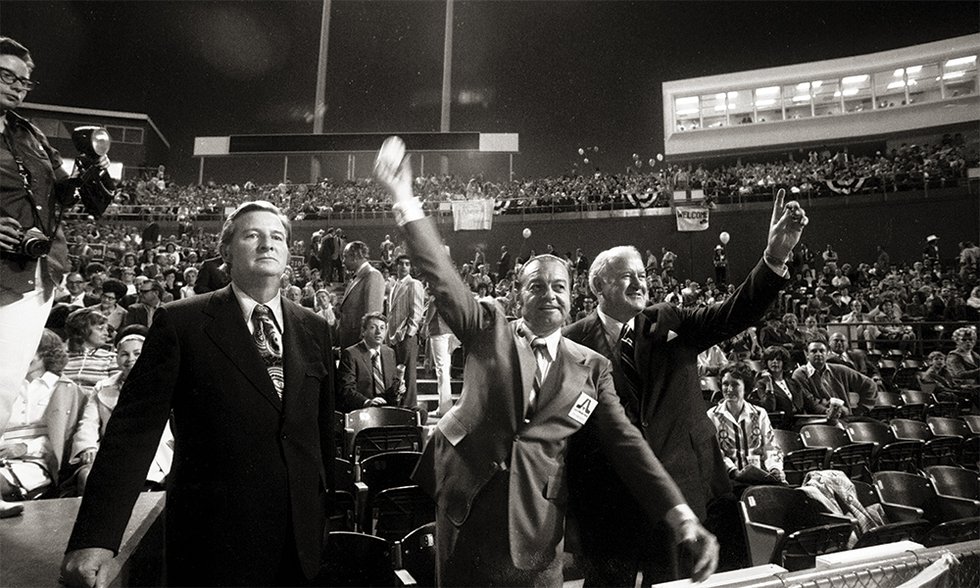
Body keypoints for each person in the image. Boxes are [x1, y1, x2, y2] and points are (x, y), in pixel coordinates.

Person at [374, 139, 718, 586]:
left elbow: (628, 445)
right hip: (468, 505)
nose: (550, 293)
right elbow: (443, 278)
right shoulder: (489, 327)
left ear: (574, 298)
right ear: (519, 294)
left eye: (560, 286)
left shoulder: (592, 368)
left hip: (538, 521)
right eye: (537, 285)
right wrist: (404, 198)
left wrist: (680, 514)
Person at [61, 201, 338, 587]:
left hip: (300, 538)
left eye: (277, 236)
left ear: (289, 252)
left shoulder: (315, 327)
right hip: (215, 542)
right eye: (252, 235)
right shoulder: (181, 321)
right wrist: (96, 538)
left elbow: (323, 434)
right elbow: (132, 432)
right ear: (225, 251)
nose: (267, 244)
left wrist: (330, 513)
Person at [563, 188, 806, 584]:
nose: (640, 283)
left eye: (643, 274)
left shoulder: (670, 320)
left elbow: (734, 313)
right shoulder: (572, 343)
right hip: (609, 502)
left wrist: (774, 257)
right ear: (599, 286)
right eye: (627, 276)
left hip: (680, 491)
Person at [0, 37, 111, 517]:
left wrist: (90, 173)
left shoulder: (27, 132)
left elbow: (59, 195)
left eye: (24, 82)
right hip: (3, 272)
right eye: (7, 76)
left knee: (5, 385)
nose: (18, 88)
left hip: (38, 271)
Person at [69, 326, 173, 495]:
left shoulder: (166, 384)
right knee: (89, 478)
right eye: (124, 354)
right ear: (116, 357)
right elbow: (88, 422)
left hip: (157, 452)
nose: (130, 359)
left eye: (137, 353)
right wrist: (88, 447)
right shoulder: (103, 388)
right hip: (115, 452)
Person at [0, 329, 82, 502]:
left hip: (38, 461)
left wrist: (25, 448)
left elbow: (63, 439)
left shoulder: (66, 389)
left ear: (46, 354)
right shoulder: (8, 387)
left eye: (30, 351)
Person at [706, 364, 786, 488]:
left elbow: (771, 447)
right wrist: (733, 471)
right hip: (728, 481)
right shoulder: (712, 415)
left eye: (735, 384)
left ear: (746, 388)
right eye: (725, 384)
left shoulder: (759, 413)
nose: (729, 389)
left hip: (759, 479)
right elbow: (714, 453)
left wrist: (774, 468)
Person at [338, 313, 426, 424]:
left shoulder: (389, 353)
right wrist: (368, 402)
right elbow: (346, 390)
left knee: (420, 413)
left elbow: (391, 389)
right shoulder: (351, 354)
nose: (379, 332)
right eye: (373, 327)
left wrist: (398, 389)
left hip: (386, 408)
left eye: (382, 328)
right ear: (363, 331)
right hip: (364, 409)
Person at [791, 339, 877, 417]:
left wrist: (861, 410)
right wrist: (829, 412)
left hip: (846, 418)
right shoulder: (800, 374)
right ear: (807, 354)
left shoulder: (839, 370)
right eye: (814, 351)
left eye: (822, 351)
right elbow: (810, 403)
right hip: (819, 419)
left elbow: (870, 384)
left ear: (828, 353)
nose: (818, 354)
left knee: (881, 428)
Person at [387, 254, 424, 404]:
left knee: (408, 372)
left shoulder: (414, 284)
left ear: (410, 267)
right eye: (401, 264)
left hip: (406, 336)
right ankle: (399, 403)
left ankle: (409, 406)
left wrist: (409, 333)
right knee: (397, 372)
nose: (403, 267)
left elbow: (417, 311)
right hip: (393, 335)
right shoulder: (394, 285)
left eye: (407, 264)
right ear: (396, 266)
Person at [337, 240, 384, 350]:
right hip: (349, 342)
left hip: (359, 345)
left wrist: (366, 346)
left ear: (355, 257)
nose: (343, 262)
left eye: (345, 257)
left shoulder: (372, 275)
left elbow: (372, 315)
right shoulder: (357, 276)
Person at [61, 308, 118, 397]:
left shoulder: (111, 358)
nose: (106, 333)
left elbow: (114, 392)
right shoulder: (61, 356)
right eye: (100, 328)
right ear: (83, 329)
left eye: (106, 329)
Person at [750, 345, 805, 417]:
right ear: (766, 362)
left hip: (800, 419)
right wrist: (769, 385)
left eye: (778, 359)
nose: (775, 362)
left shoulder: (793, 382)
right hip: (779, 423)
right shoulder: (761, 384)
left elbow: (805, 403)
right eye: (771, 359)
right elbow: (769, 407)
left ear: (783, 362)